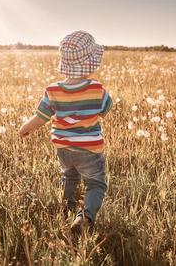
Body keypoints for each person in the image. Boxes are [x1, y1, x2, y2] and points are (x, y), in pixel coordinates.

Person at [19, 30, 113, 235]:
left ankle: (66, 208)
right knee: (96, 184)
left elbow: (41, 118)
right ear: (91, 64)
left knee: (68, 177)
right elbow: (106, 109)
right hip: (89, 150)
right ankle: (84, 217)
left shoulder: (53, 90)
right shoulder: (97, 88)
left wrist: (25, 127)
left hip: (63, 149)